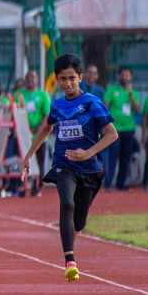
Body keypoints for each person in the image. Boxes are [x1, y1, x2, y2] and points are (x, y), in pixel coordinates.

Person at [22, 54, 119, 282]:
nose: (68, 84)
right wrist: (28, 156)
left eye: (72, 78)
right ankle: (70, 261)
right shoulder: (56, 105)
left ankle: (74, 231)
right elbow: (46, 130)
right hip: (63, 164)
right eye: (63, 79)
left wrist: (88, 152)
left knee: (80, 220)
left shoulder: (92, 103)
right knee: (66, 202)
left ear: (81, 78)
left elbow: (111, 134)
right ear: (56, 79)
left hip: (89, 169)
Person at [104, 67, 141, 191]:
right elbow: (105, 107)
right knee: (112, 157)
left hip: (129, 129)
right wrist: (104, 125)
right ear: (119, 77)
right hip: (114, 129)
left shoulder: (134, 92)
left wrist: (130, 94)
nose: (125, 77)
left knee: (125, 157)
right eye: (122, 75)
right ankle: (108, 184)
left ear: (130, 77)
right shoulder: (111, 90)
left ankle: (120, 184)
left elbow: (136, 109)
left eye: (127, 75)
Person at [16, 71, 51, 196]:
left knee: (39, 161)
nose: (30, 79)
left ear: (37, 80)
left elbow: (47, 114)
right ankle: (21, 186)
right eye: (28, 77)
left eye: (33, 77)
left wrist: (37, 129)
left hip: (39, 136)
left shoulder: (43, 95)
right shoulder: (19, 95)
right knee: (21, 160)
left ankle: (37, 187)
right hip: (22, 136)